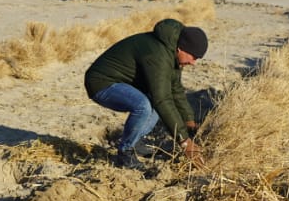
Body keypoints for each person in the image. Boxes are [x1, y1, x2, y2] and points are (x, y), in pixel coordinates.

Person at [84, 18, 207, 169]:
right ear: (181, 48)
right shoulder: (158, 55)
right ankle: (125, 152)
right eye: (193, 57)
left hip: (122, 82)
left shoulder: (171, 53)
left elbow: (176, 90)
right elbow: (163, 98)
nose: (194, 62)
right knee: (143, 106)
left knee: (154, 105)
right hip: (101, 83)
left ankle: (134, 142)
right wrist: (184, 141)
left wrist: (189, 121)